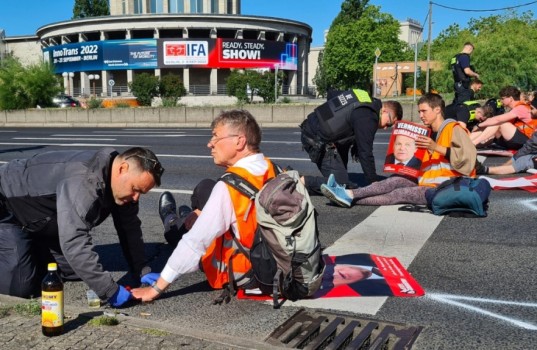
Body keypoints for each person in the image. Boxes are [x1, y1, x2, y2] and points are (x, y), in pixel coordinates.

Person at [132, 109, 277, 303]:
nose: (210, 143)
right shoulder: (273, 168)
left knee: (183, 231)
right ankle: (186, 214)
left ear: (239, 141)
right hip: (278, 264)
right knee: (206, 188)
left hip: (247, 273)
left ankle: (171, 219)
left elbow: (194, 243)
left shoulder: (229, 187)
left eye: (216, 137)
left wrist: (155, 289)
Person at [0, 147, 163, 307]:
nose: (136, 198)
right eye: (135, 190)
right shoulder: (85, 182)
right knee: (20, 285)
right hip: (6, 204)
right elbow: (74, 242)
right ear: (122, 169)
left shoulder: (120, 186)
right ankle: (18, 247)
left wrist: (142, 270)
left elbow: (130, 229)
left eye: (141, 193)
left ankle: (27, 245)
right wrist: (109, 291)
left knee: (77, 270)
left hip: (38, 217)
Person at [320, 92, 477, 207]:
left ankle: (347, 197)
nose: (421, 115)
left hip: (447, 187)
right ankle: (347, 195)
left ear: (437, 110)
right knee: (394, 180)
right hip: (427, 181)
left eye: (424, 111)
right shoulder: (429, 131)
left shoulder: (453, 128)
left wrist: (435, 147)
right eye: (419, 111)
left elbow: (469, 159)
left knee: (398, 194)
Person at [299, 88, 403, 194]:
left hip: (311, 126)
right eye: (389, 123)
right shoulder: (369, 117)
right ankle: (299, 182)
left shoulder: (365, 97)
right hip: (317, 140)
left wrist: (331, 121)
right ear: (385, 111)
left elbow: (332, 93)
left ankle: (337, 175)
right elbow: (365, 153)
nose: (386, 128)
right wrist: (374, 182)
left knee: (343, 159)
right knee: (340, 185)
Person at [478, 98, 537, 175]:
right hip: (529, 143)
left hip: (527, 142)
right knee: (525, 157)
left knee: (526, 161)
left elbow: (530, 146)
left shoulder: (520, 108)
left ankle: (485, 170)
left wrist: (515, 157)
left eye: (532, 109)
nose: (529, 111)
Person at [471, 86, 534, 150]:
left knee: (499, 123)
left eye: (502, 98)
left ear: (510, 98)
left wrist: (479, 125)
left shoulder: (520, 108)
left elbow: (497, 119)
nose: (501, 101)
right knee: (491, 123)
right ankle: (468, 141)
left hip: (528, 141)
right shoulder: (514, 109)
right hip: (517, 139)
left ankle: (473, 144)